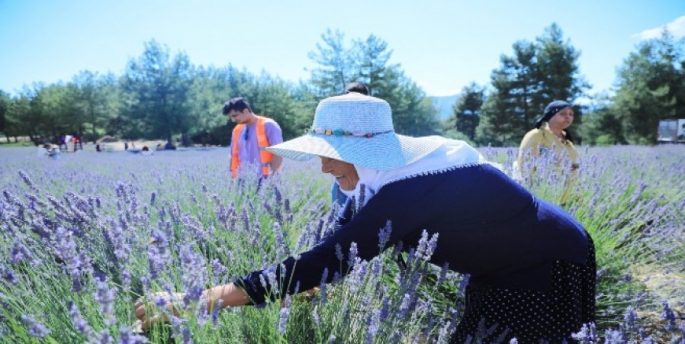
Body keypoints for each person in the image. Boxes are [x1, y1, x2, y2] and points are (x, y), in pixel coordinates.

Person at [135, 93, 596, 343]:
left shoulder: (411, 187)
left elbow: (325, 261)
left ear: (364, 153)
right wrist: (296, 288)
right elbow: (334, 254)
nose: (324, 167)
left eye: (332, 156)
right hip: (501, 270)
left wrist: (198, 300)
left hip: (547, 265)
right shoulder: (393, 179)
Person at [516, 100, 579, 203]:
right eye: (562, 113)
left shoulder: (567, 139)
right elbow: (524, 164)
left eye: (571, 114)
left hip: (569, 197)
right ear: (550, 115)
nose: (568, 117)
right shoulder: (537, 135)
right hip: (545, 197)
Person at [331, 82, 371, 207]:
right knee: (339, 218)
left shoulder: (373, 121)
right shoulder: (338, 121)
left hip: (366, 179)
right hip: (342, 179)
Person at [222, 97, 283, 179]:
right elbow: (232, 155)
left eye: (235, 115)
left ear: (246, 111)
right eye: (231, 117)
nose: (233, 120)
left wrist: (271, 178)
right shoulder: (237, 130)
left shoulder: (269, 125)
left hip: (266, 178)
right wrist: (232, 176)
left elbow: (278, 153)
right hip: (243, 179)